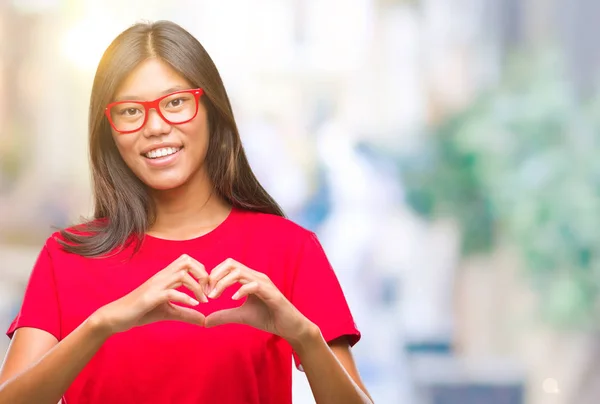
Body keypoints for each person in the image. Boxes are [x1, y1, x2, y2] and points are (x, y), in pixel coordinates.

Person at [0, 20, 372, 404]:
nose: (156, 126)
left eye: (176, 102)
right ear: (108, 130)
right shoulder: (66, 258)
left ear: (211, 109)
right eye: (130, 111)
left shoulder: (289, 249)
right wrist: (101, 324)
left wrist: (305, 336)